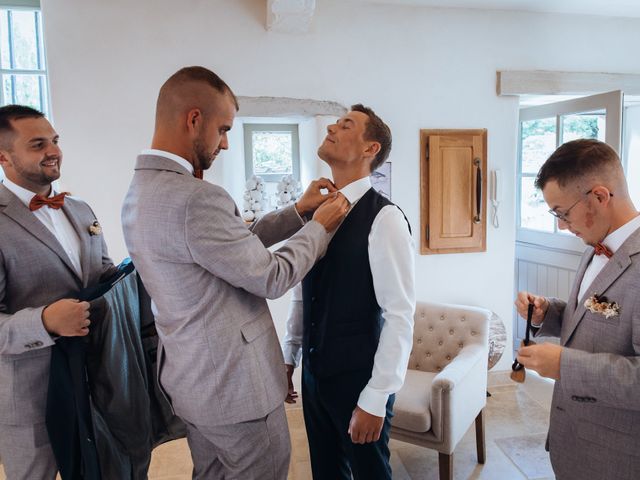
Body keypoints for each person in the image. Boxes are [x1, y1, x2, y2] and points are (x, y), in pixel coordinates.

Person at [121, 66, 348, 480]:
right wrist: (321, 226)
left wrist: (298, 213)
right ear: (193, 119)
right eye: (223, 129)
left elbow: (227, 251)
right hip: (235, 386)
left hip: (192, 381)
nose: (225, 143)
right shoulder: (195, 198)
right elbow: (271, 277)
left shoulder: (141, 191)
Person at [282, 104, 415, 479]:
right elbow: (302, 291)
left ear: (370, 149)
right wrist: (289, 353)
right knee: (326, 472)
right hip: (315, 373)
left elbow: (399, 314)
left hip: (360, 379)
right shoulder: (314, 211)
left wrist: (376, 397)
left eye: (346, 125)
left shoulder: (385, 218)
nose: (332, 128)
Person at [0, 105, 116, 479]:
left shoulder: (80, 210)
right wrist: (45, 322)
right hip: (30, 399)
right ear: (3, 157)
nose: (53, 150)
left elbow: (104, 275)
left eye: (55, 140)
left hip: (96, 382)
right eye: (37, 144)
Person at [514, 139, 640, 480]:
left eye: (562, 213)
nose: (561, 225)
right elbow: (599, 313)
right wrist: (548, 313)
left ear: (600, 197)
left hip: (616, 458)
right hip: (574, 444)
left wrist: (564, 364)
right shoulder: (594, 247)